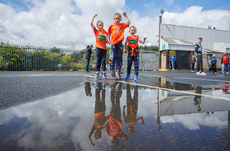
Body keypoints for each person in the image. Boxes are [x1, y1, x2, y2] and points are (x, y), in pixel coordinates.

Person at [108, 12, 130, 78]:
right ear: (114, 19)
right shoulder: (111, 26)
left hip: (120, 42)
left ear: (120, 19)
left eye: (118, 19)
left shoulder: (122, 25)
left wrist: (126, 16)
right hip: (113, 43)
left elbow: (128, 23)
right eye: (116, 18)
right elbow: (108, 33)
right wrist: (109, 40)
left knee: (119, 57)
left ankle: (118, 71)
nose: (117, 20)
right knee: (114, 56)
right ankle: (112, 70)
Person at [106, 82, 127, 149]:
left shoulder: (109, 134)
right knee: (117, 102)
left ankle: (112, 88)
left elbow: (107, 126)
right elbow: (126, 138)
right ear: (117, 141)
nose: (114, 141)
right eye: (115, 142)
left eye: (113, 142)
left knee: (112, 102)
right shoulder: (120, 135)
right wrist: (123, 145)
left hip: (112, 116)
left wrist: (107, 119)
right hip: (118, 116)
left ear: (112, 141)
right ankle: (118, 89)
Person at [88, 82, 108, 146]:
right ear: (101, 134)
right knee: (103, 98)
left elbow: (89, 136)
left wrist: (91, 142)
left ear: (95, 133)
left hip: (96, 111)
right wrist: (107, 119)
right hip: (103, 110)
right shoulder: (104, 126)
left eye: (97, 135)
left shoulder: (94, 127)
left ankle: (97, 88)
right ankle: (103, 88)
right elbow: (107, 117)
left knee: (97, 99)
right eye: (99, 135)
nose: (98, 134)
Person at [91, 14, 110, 79]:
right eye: (99, 25)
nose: (101, 26)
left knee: (104, 61)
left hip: (104, 49)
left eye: (102, 25)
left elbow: (108, 42)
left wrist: (106, 36)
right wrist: (93, 17)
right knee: (98, 60)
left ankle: (104, 72)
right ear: (97, 26)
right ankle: (97, 72)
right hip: (98, 48)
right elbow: (91, 24)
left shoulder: (105, 32)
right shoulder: (96, 31)